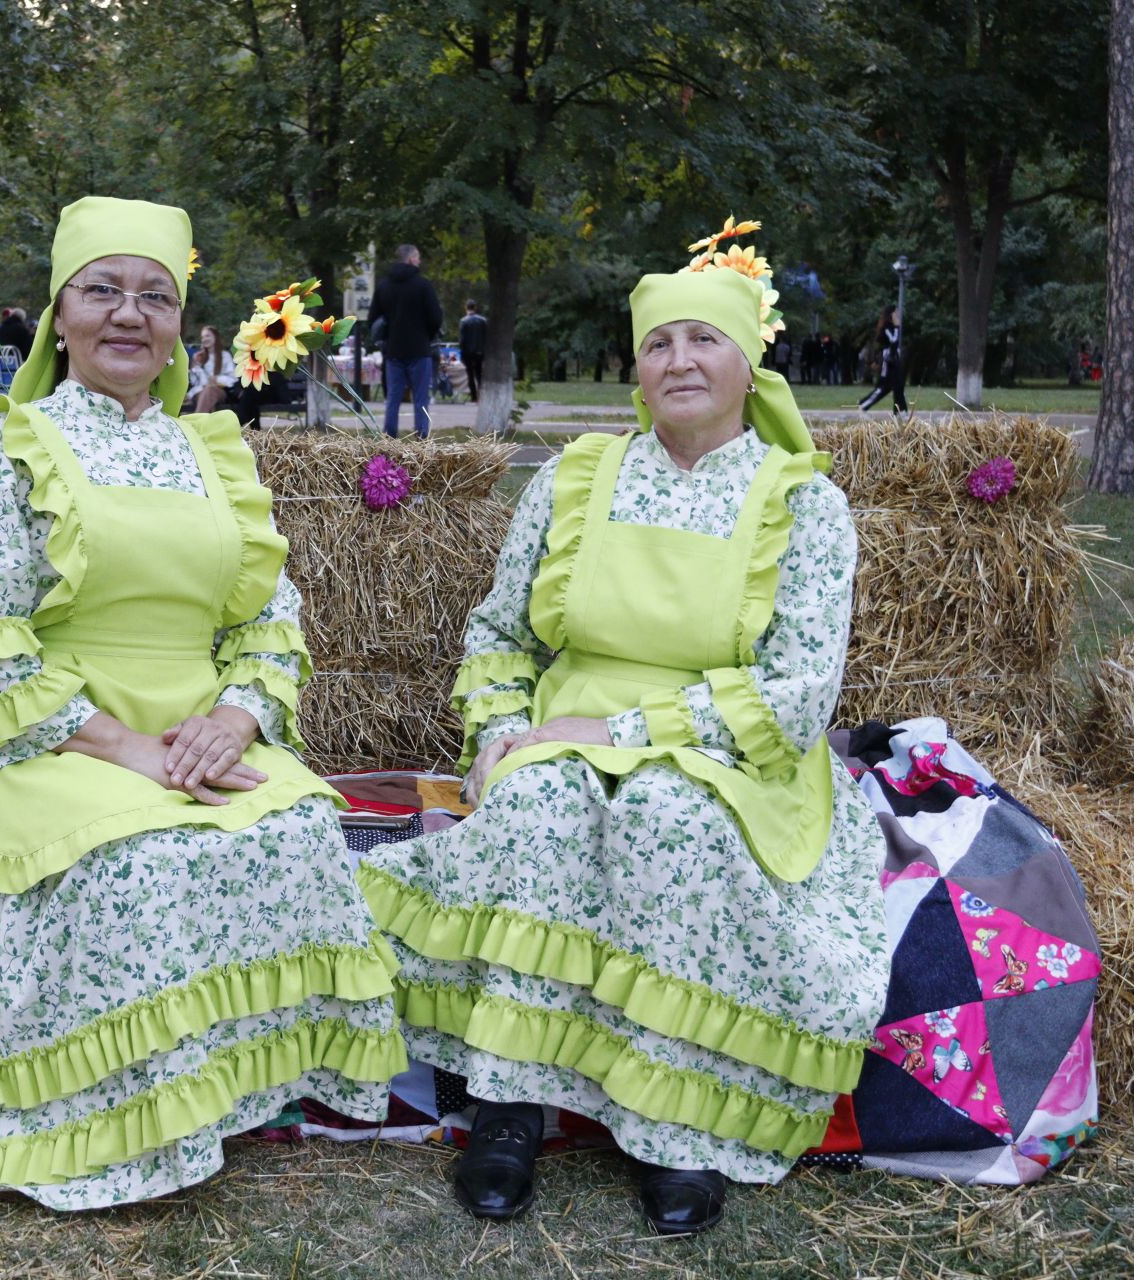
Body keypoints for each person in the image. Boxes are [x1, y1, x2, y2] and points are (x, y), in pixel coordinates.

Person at [0, 195, 405, 1213]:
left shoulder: (211, 453)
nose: (128, 315)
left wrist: (236, 716)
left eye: (155, 295)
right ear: (59, 314)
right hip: (35, 735)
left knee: (301, 824)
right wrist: (126, 748)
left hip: (191, 728)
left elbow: (271, 614)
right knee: (141, 865)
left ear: (182, 322)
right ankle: (102, 1116)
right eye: (102, 290)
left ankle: (216, 1088)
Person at [360, 254, 890, 1237]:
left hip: (729, 748)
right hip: (566, 724)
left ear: (747, 361)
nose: (679, 360)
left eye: (703, 338)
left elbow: (800, 691)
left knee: (666, 816)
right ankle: (509, 1097)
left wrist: (622, 732)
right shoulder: (575, 477)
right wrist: (502, 728)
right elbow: (501, 633)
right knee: (541, 804)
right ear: (636, 368)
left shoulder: (801, 501)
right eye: (658, 343)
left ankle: (670, 1116)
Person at [366, 244, 443, 439]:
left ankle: (390, 436)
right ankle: (421, 437)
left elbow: (372, 318)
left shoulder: (384, 285)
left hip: (393, 350)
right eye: (417, 257)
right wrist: (427, 335)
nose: (419, 261)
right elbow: (435, 317)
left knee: (393, 397)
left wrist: (385, 339)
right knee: (420, 398)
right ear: (410, 259)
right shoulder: (423, 285)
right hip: (419, 349)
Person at [856, 307, 908, 416]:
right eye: (896, 312)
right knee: (884, 386)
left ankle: (900, 412)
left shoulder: (892, 327)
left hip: (894, 359)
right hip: (888, 360)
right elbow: (894, 341)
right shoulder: (887, 327)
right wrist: (897, 326)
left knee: (898, 385)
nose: (898, 314)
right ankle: (863, 404)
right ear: (891, 314)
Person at [184, 323, 232, 414]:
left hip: (220, 391)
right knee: (208, 397)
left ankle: (196, 420)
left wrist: (217, 379)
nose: (204, 339)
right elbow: (194, 382)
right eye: (202, 337)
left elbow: (232, 378)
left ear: (215, 337)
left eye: (207, 336)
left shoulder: (225, 356)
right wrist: (195, 365)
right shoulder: (199, 357)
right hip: (200, 391)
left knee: (210, 390)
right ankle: (207, 425)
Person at [459, 301, 487, 402]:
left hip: (468, 352)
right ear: (475, 307)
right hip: (480, 351)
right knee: (479, 374)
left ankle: (474, 397)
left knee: (470, 374)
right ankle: (482, 395)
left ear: (465, 307)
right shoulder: (483, 320)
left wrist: (461, 352)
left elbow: (462, 339)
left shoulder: (464, 321)